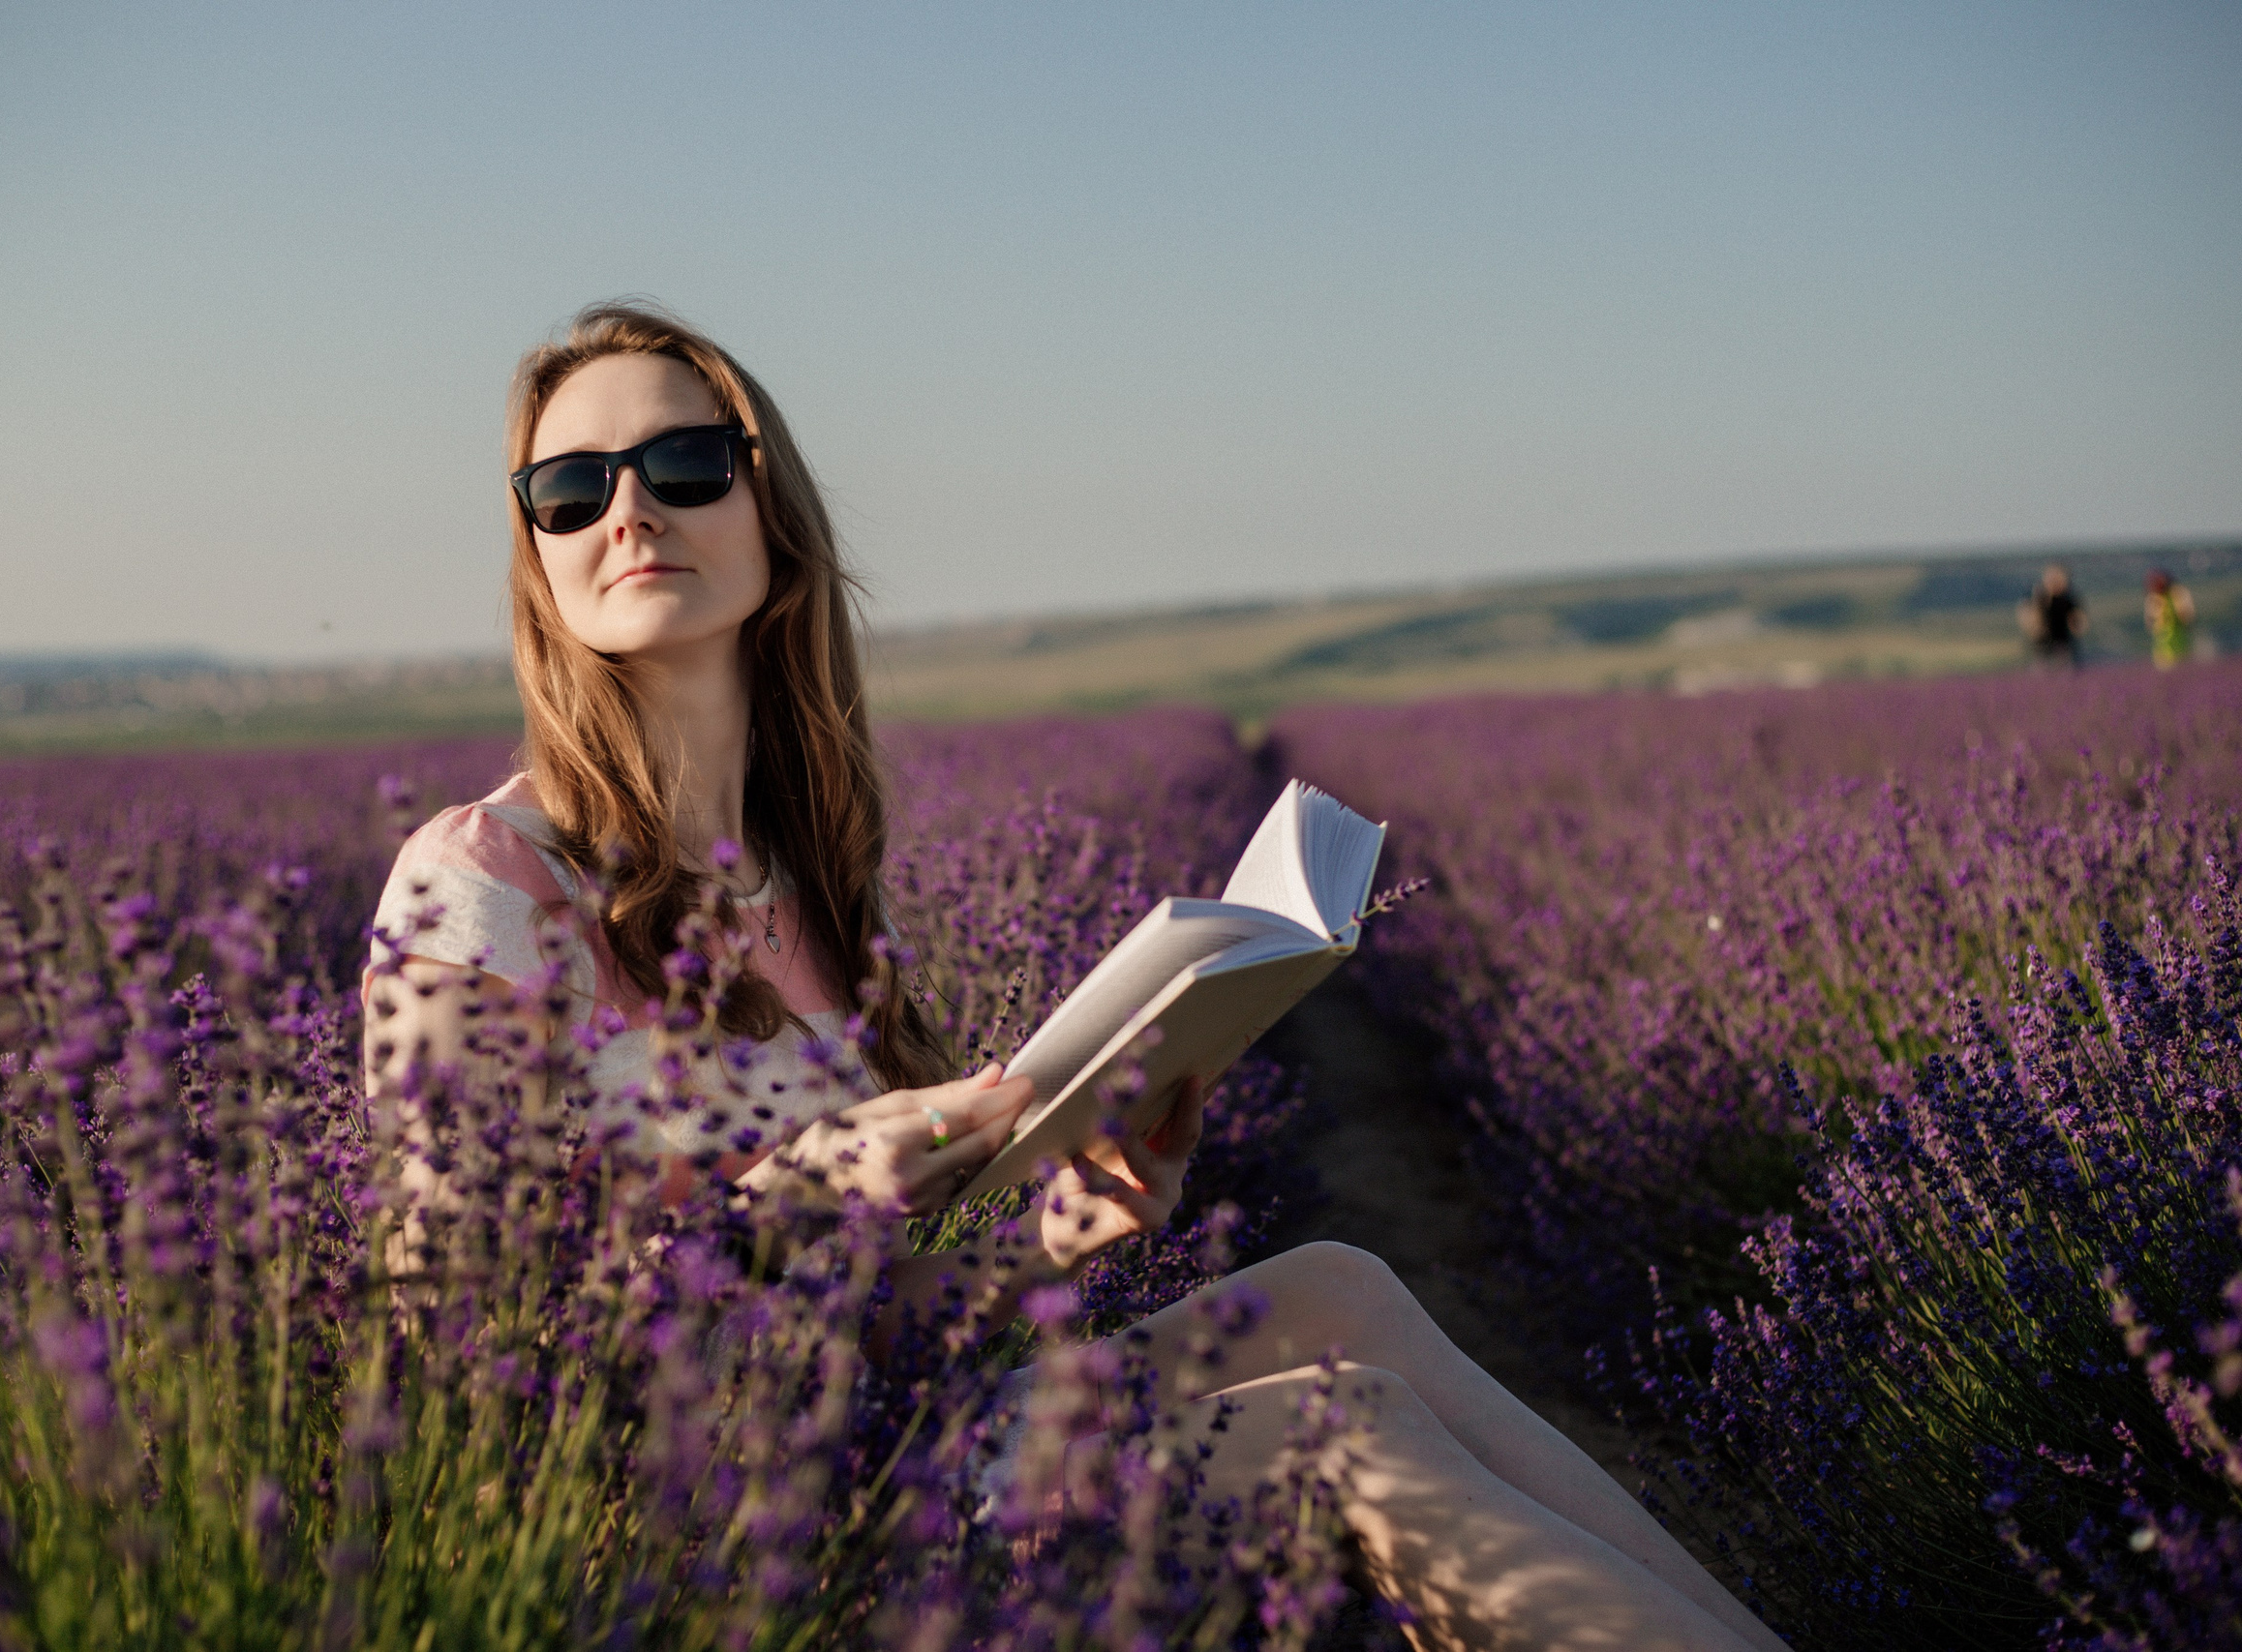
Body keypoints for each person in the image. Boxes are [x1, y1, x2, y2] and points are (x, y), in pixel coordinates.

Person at [361, 301, 1787, 1650]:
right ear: (536, 552)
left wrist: (1041, 1237)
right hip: (726, 1547)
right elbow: (460, 1340)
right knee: (1343, 1425)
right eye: (570, 485)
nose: (629, 508)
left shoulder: (802, 893)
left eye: (682, 462)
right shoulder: (484, 877)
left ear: (772, 518)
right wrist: (790, 1196)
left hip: (891, 1452)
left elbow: (882, 1319)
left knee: (1339, 1286)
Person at [2018, 563, 2086, 669]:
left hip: (2063, 640)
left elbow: (2078, 618)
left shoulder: (2067, 599)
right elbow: (2026, 616)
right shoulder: (2039, 597)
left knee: (2064, 667)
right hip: (2042, 642)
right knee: (2042, 668)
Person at [2145, 569, 2197, 669]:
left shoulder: (2177, 593)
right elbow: (2150, 620)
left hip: (2179, 638)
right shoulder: (2154, 597)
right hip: (2162, 642)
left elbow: (2187, 614)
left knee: (2181, 666)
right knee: (2165, 666)